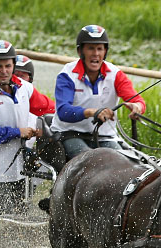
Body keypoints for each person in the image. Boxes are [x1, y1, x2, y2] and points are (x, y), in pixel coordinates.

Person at [0, 40, 55, 223]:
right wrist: (17, 132)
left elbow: (49, 108)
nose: (4, 71)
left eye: (8, 66)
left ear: (13, 65)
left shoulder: (25, 88)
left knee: (16, 219)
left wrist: (81, 114)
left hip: (18, 171)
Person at [51, 25, 145, 159]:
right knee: (92, 162)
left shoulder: (115, 74)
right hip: (69, 134)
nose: (96, 54)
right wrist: (93, 112)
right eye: (90, 48)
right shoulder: (67, 75)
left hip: (105, 136)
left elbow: (137, 100)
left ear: (105, 52)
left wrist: (137, 107)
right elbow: (63, 111)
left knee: (129, 163)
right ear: (80, 51)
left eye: (100, 49)